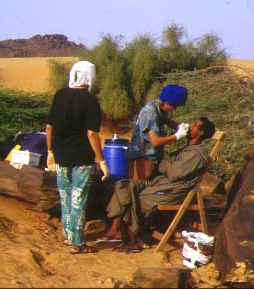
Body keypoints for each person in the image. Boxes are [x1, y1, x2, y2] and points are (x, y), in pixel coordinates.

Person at [97, 117, 216, 252]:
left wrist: (168, 165)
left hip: (171, 189)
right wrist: (168, 163)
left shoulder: (197, 154)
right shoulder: (187, 148)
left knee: (139, 198)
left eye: (194, 125)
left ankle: (132, 238)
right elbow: (163, 166)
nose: (190, 126)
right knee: (124, 185)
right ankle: (116, 228)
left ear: (200, 133)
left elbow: (172, 173)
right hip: (160, 183)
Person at [45, 60, 109, 254]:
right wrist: (102, 161)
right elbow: (92, 134)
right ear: (90, 76)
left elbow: (49, 127)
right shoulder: (90, 100)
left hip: (61, 156)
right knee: (78, 199)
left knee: (65, 196)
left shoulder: (60, 95)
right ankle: (77, 243)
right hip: (82, 158)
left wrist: (50, 151)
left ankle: (68, 235)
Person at [127, 84, 190, 180]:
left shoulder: (161, 108)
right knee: (139, 185)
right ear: (167, 103)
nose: (175, 109)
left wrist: (180, 126)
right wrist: (177, 136)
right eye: (174, 106)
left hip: (154, 156)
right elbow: (155, 142)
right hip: (143, 156)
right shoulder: (149, 112)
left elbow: (166, 120)